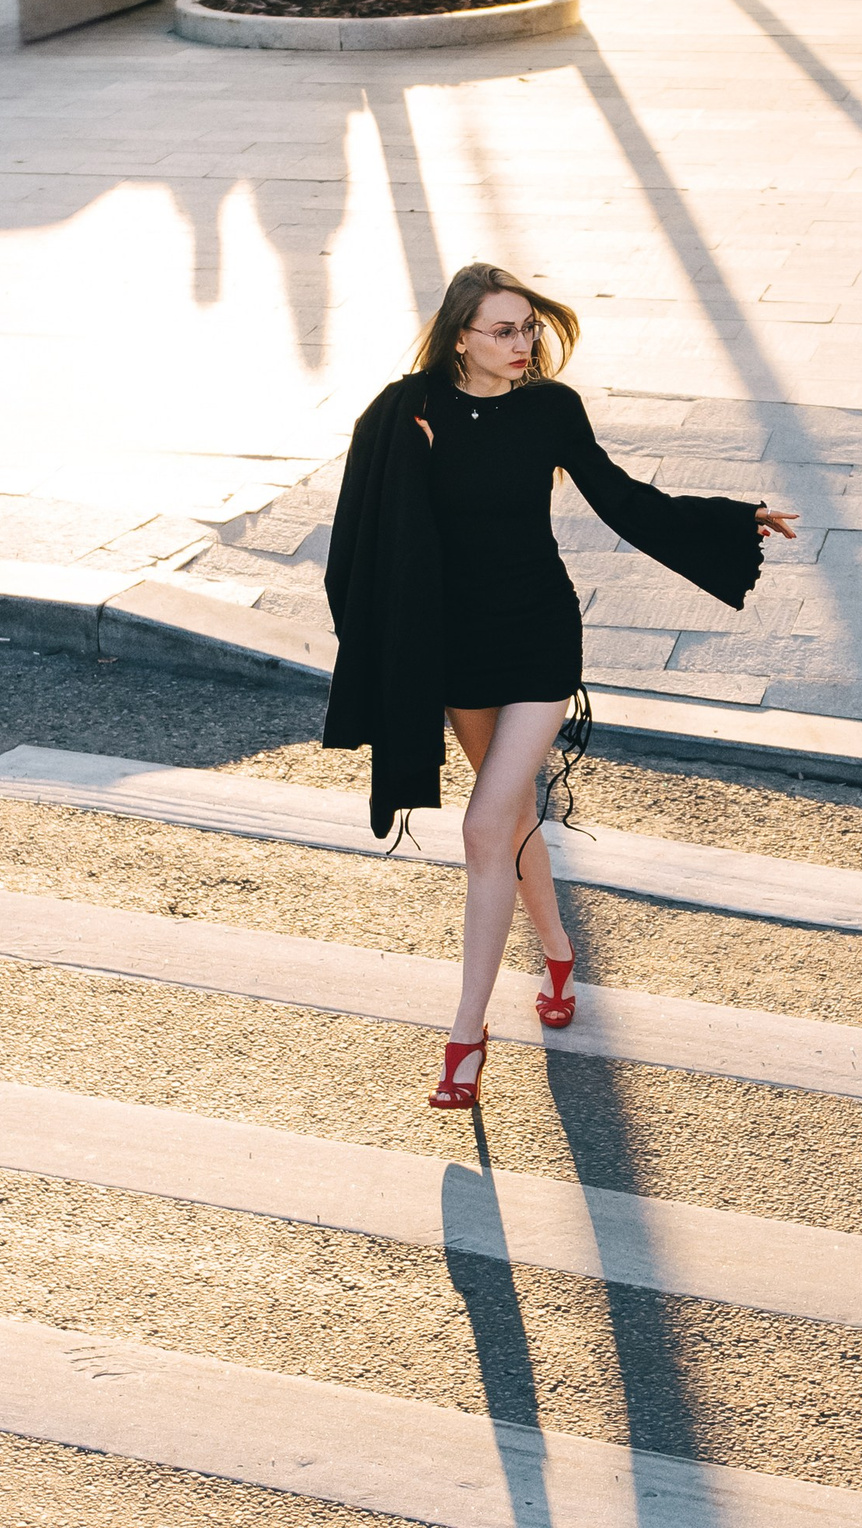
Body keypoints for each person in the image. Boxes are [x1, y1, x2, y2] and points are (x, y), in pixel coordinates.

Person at [323, 263, 798, 1108]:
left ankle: (466, 1034)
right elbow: (371, 524)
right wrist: (413, 457)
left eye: (528, 328)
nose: (522, 344)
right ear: (460, 334)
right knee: (506, 820)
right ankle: (558, 950)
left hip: (538, 635)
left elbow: (624, 500)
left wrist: (730, 519)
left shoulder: (551, 410)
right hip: (457, 648)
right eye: (502, 330)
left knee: (482, 826)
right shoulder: (412, 411)